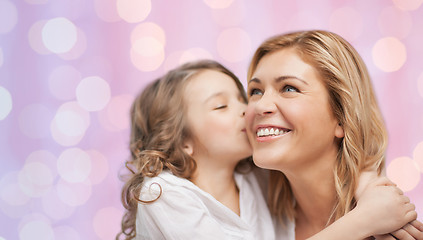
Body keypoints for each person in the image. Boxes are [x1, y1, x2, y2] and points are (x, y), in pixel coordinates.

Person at [117, 59, 418, 240]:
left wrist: (367, 188)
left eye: (243, 97)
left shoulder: (256, 178)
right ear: (181, 139)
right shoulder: (162, 193)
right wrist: (364, 220)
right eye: (222, 106)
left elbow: (334, 161)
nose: (250, 109)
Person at [245, 30, 423, 239]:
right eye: (255, 91)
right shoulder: (247, 214)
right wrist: (363, 220)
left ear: (342, 116)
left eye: (289, 88)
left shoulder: (392, 229)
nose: (260, 106)